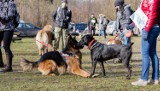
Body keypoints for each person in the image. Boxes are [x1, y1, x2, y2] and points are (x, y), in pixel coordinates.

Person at [131, 0, 160, 86]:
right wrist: (133, 24)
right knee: (152, 53)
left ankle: (143, 79)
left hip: (150, 28)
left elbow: (152, 14)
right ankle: (155, 79)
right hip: (153, 27)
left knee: (145, 53)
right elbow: (142, 12)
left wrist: (146, 30)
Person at [0, 0, 19, 72]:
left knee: (6, 46)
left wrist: (2, 19)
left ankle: (9, 67)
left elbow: (11, 15)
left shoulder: (11, 3)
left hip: (9, 28)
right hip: (0, 28)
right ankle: (0, 63)